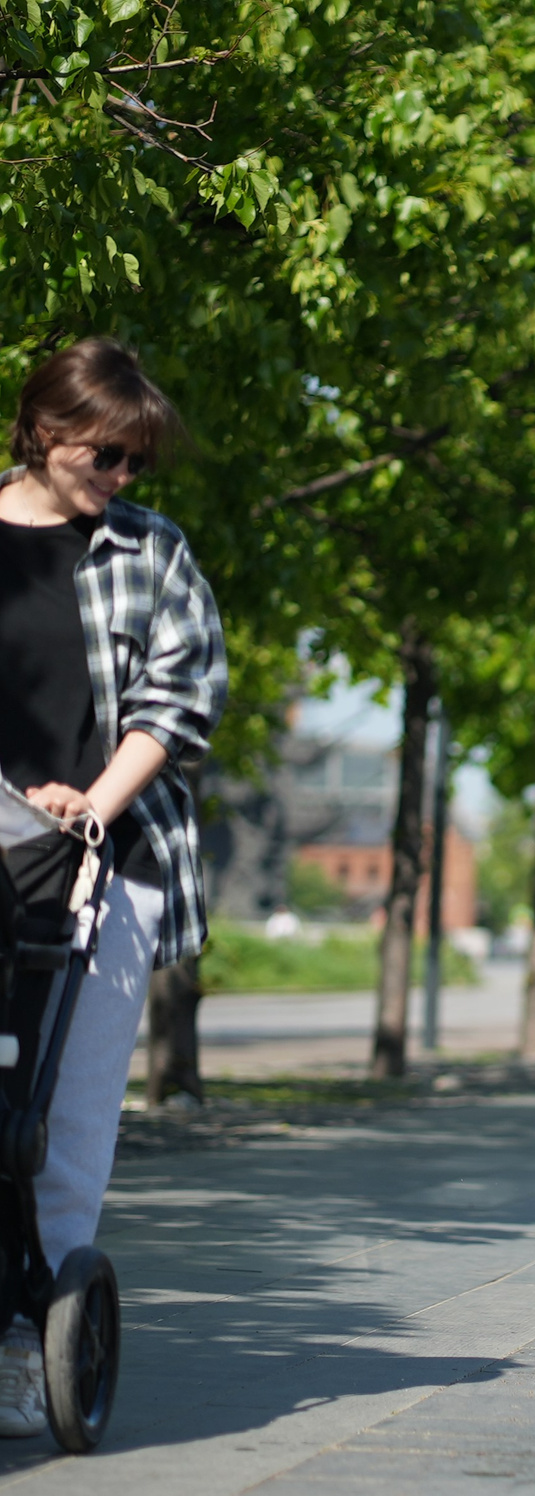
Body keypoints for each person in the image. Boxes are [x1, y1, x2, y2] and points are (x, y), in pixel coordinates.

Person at [0, 338, 226, 1437]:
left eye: (138, 463)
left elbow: (180, 703)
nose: (123, 480)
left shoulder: (151, 551)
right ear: (44, 432)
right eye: (107, 455)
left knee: (66, 1116)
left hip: (106, 858)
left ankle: (26, 1342)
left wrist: (92, 799)